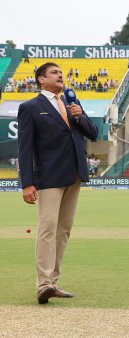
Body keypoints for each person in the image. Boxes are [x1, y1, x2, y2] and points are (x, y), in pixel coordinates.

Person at [17, 62, 98, 304]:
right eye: (54, 72)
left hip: (74, 174)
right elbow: (25, 148)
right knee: (48, 227)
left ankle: (53, 282)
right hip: (49, 175)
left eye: (61, 73)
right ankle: (43, 284)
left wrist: (79, 116)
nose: (60, 75)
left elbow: (93, 133)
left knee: (63, 230)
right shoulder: (30, 107)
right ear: (41, 80)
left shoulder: (72, 103)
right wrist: (26, 183)